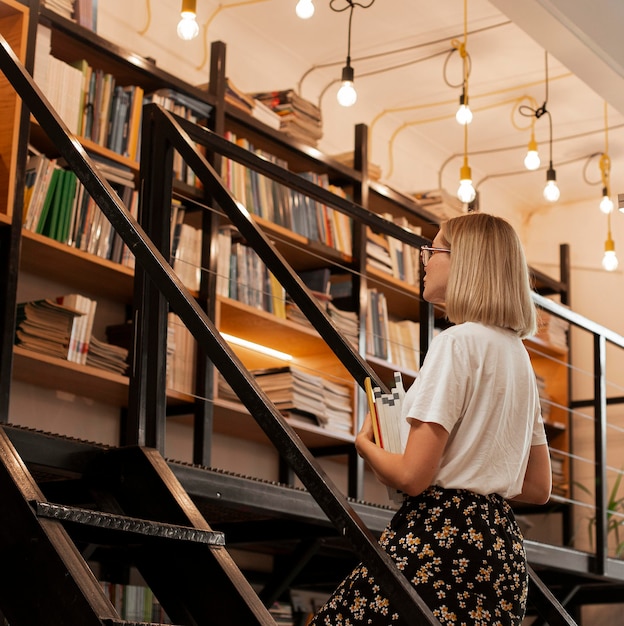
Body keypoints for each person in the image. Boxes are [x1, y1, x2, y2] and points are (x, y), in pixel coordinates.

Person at [309, 212, 552, 625]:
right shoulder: (518, 358)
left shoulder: (456, 344)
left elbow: (412, 477)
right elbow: (538, 486)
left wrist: (365, 443)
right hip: (500, 548)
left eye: (434, 248)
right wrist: (479, 473)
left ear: (466, 261)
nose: (425, 258)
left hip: (441, 538)